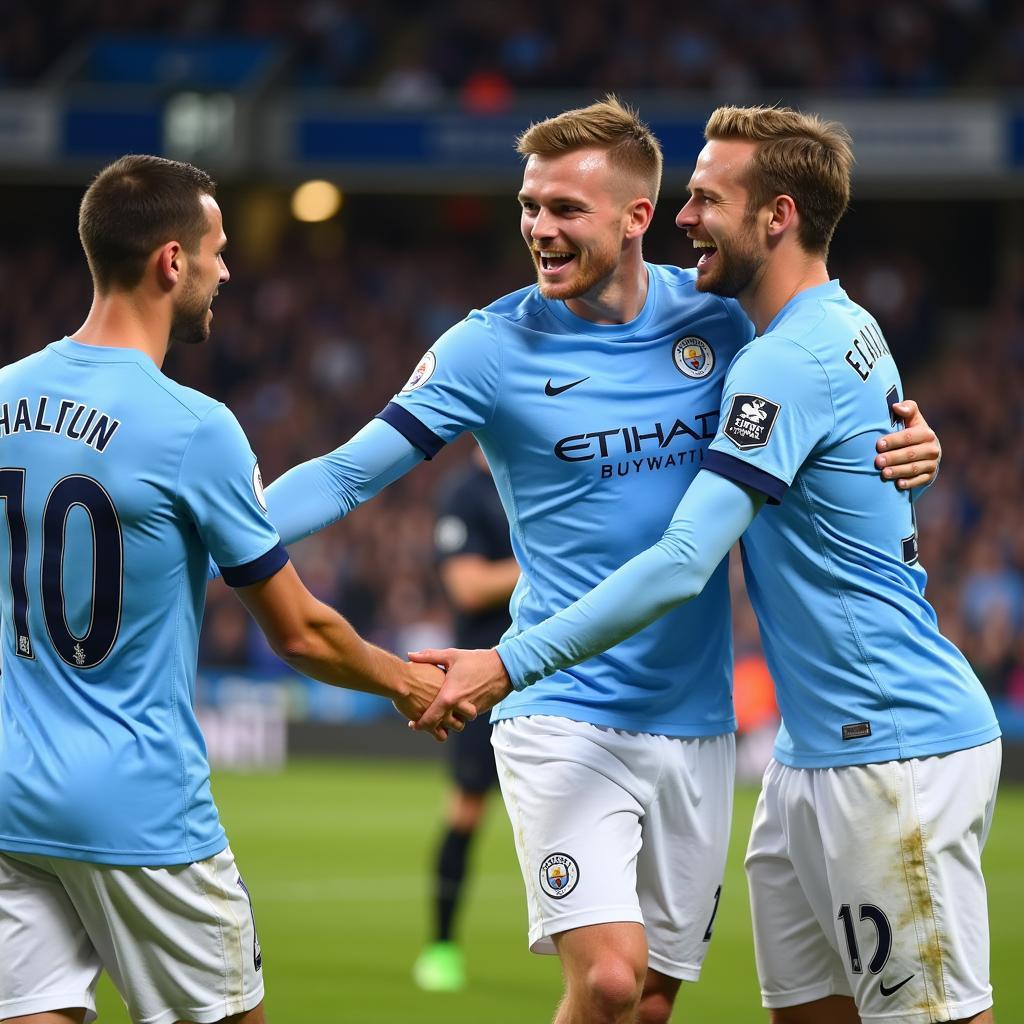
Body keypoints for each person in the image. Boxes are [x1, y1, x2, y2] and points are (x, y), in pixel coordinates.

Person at [258, 98, 939, 1024]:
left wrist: (909, 443)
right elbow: (344, 475)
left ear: (636, 218)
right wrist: (225, 534)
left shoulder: (722, 319)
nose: (539, 228)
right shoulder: (487, 348)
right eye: (531, 205)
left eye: (565, 210)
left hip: (694, 721)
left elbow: (826, 384)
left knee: (649, 1001)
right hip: (558, 703)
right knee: (610, 981)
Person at [0, 154, 447, 1024]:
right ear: (172, 262)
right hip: (138, 806)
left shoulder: (2, 396)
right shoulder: (192, 427)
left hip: (10, 795)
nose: (228, 271)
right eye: (218, 250)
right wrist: (407, 682)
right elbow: (300, 633)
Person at [412, 446, 519, 993]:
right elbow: (468, 586)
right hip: (481, 676)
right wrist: (548, 560)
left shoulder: (536, 467)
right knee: (467, 810)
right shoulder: (464, 492)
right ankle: (441, 947)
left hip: (554, 672)